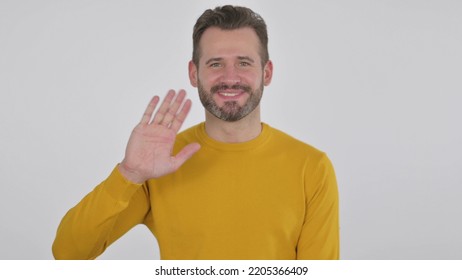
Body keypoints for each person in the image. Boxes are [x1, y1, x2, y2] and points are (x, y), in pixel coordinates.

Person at [52, 5, 339, 260]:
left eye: (244, 62)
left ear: (267, 72)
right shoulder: (160, 162)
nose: (230, 77)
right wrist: (129, 174)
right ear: (193, 73)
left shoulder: (311, 167)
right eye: (215, 63)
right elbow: (68, 253)